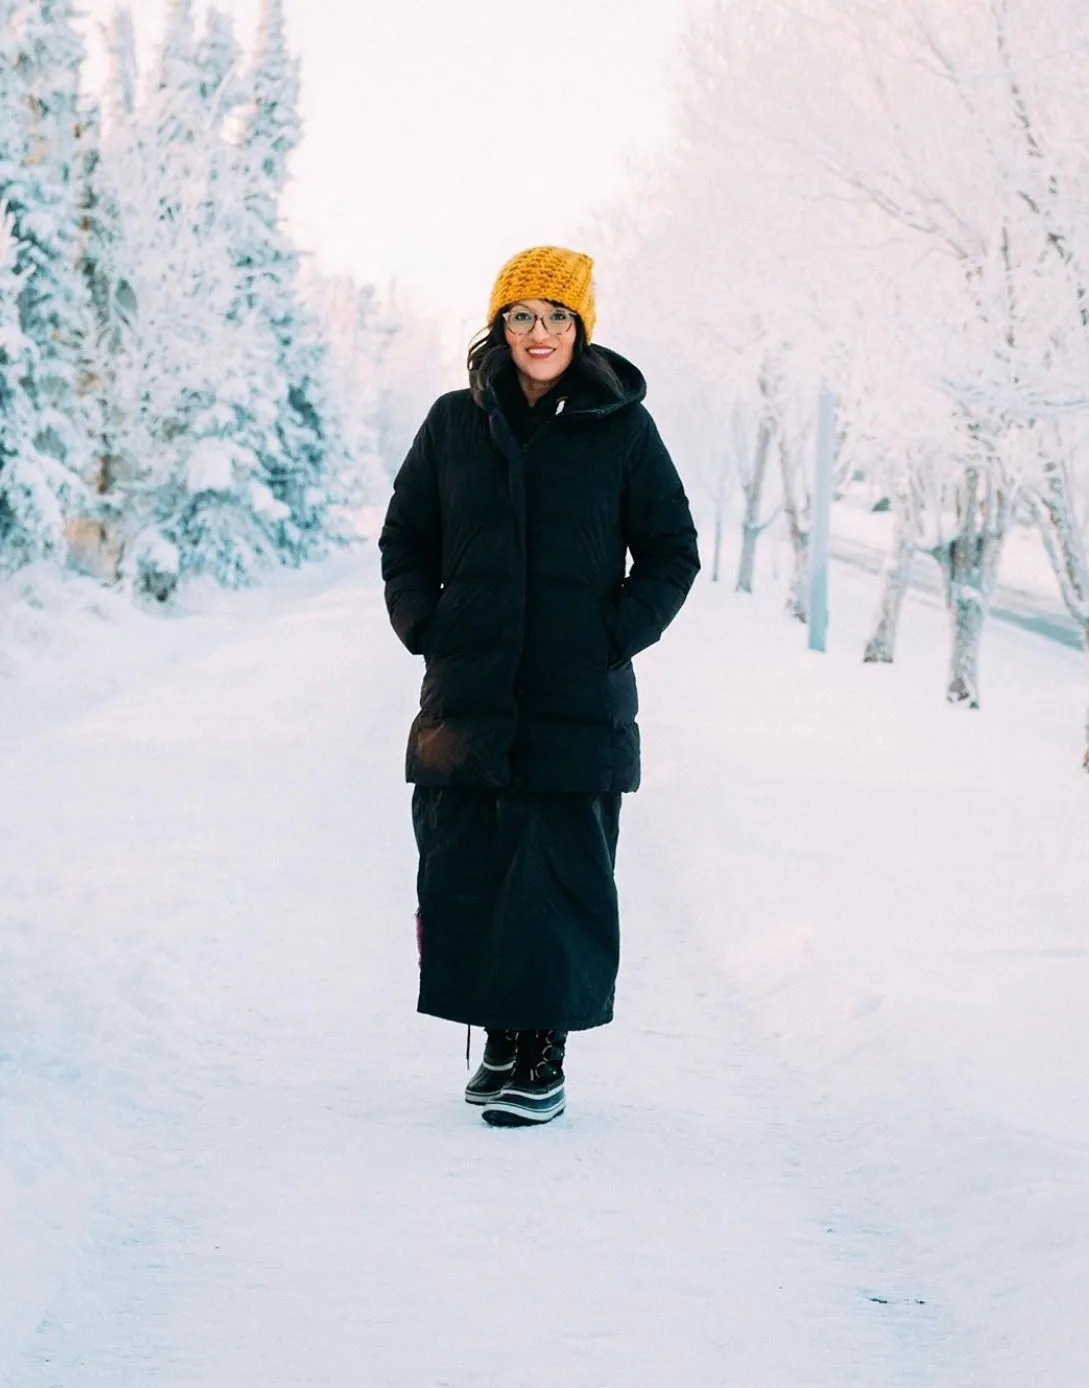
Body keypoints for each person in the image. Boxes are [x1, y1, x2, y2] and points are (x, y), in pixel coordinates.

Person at [379, 246, 699, 1127]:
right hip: (469, 699)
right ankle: (501, 1043)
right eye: (522, 315)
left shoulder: (623, 428)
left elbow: (672, 550)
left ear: (581, 326)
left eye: (556, 316)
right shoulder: (452, 424)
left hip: (574, 701)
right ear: (499, 327)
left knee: (556, 880)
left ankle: (543, 1053)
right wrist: (428, 627)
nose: (539, 333)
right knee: (472, 873)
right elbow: (404, 543)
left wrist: (611, 635)